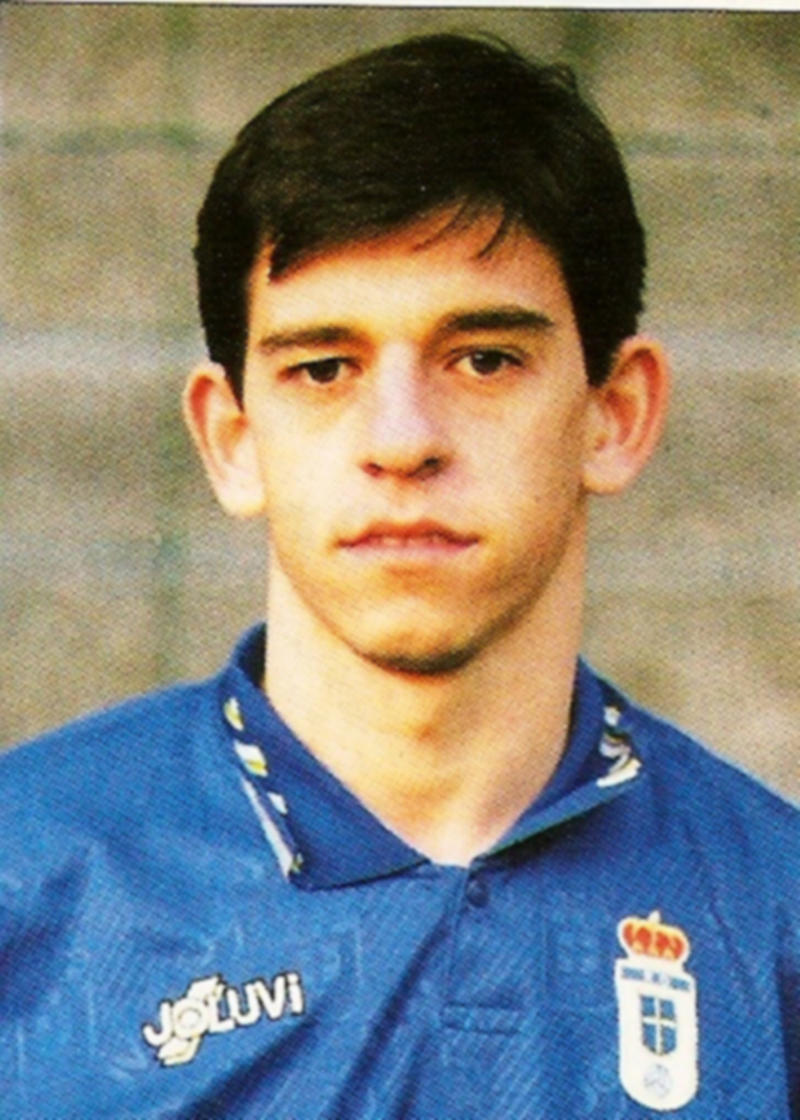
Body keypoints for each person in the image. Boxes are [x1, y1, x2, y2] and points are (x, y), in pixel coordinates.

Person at [0, 33, 796, 1119]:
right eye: (323, 367)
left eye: (483, 359)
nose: (402, 439)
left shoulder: (773, 918)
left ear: (613, 415)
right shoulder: (26, 881)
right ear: (232, 438)